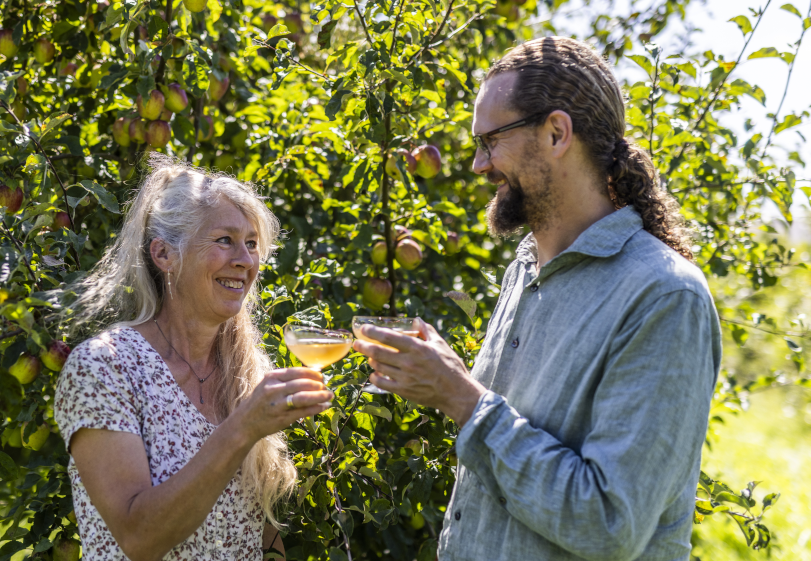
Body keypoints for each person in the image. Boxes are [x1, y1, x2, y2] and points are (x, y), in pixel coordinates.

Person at [353, 37, 721, 560]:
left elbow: (609, 522)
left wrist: (463, 398)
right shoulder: (525, 269)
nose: (479, 165)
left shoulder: (664, 297)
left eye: (490, 141)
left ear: (555, 133)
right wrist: (452, 378)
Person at [54, 154, 333, 560]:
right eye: (224, 240)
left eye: (252, 244)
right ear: (164, 255)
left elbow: (261, 533)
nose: (245, 260)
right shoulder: (104, 366)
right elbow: (139, 538)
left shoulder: (245, 369)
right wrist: (242, 428)